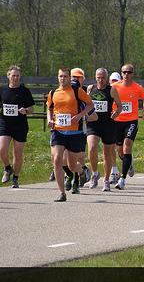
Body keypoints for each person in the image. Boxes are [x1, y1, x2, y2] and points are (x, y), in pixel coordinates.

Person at [47, 67, 94, 202]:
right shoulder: (53, 93)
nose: (63, 79)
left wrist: (80, 116)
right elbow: (50, 108)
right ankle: (62, 193)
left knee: (72, 165)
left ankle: (81, 172)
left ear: (69, 78)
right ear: (58, 77)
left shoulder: (76, 91)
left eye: (65, 77)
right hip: (58, 130)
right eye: (61, 76)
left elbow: (90, 105)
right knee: (57, 159)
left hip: (74, 132)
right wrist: (50, 119)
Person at [112, 64, 144, 190]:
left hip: (131, 121)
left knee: (127, 144)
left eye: (129, 72)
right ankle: (129, 163)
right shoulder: (115, 87)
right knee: (120, 151)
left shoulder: (137, 88)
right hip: (117, 121)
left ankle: (122, 178)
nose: (126, 74)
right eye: (124, 72)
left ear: (133, 74)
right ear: (121, 73)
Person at [86, 68, 122, 191]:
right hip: (93, 123)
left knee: (107, 153)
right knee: (91, 148)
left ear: (106, 78)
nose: (100, 80)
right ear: (95, 77)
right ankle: (94, 174)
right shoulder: (90, 88)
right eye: (98, 77)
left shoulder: (111, 90)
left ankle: (106, 180)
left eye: (103, 78)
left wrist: (116, 113)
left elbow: (120, 106)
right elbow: (86, 103)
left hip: (108, 124)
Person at [0, 66, 35, 188]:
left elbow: (31, 109)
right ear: (8, 76)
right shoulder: (2, 90)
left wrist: (25, 110)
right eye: (13, 75)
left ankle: (15, 178)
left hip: (20, 125)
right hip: (5, 124)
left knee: (18, 153)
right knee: (2, 148)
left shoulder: (24, 91)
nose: (15, 78)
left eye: (17, 76)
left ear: (20, 77)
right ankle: (7, 168)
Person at [109, 72, 122, 184]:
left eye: (116, 81)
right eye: (112, 81)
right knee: (111, 147)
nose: (114, 83)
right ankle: (114, 171)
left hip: (122, 122)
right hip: (111, 122)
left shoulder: (122, 91)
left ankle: (128, 160)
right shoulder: (108, 91)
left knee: (121, 149)